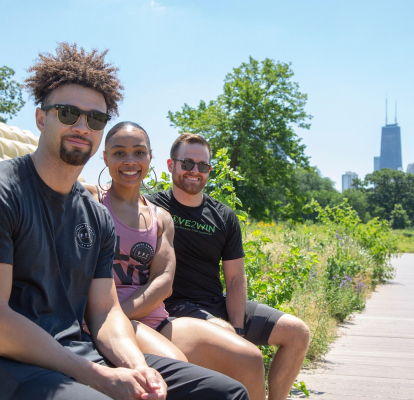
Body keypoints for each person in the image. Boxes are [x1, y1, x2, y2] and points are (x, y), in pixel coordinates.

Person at [0, 43, 248, 400]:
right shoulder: (8, 193)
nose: (82, 126)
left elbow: (104, 311)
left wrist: (136, 366)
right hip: (17, 363)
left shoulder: (95, 216)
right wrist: (98, 376)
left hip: (81, 350)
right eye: (68, 113)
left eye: (95, 118)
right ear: (41, 118)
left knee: (224, 392)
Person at [82, 121, 266, 400]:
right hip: (107, 318)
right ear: (105, 158)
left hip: (152, 317)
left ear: (150, 157)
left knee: (251, 358)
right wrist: (110, 317)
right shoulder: (90, 198)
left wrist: (121, 313)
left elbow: (163, 282)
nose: (130, 161)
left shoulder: (160, 217)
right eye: (119, 153)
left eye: (139, 153)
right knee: (181, 367)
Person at [146, 133, 312, 400]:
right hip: (174, 307)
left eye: (203, 166)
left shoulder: (224, 216)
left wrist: (238, 330)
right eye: (187, 163)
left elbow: (235, 279)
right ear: (170, 165)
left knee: (297, 333)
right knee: (233, 343)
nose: (195, 171)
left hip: (216, 303)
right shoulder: (152, 208)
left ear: (209, 170)